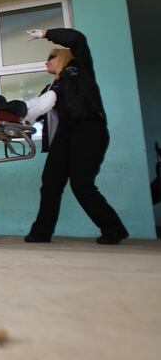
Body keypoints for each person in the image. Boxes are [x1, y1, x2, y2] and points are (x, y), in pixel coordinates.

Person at [24, 28, 129, 245]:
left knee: (81, 184)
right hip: (64, 134)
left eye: (50, 57)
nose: (46, 62)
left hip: (88, 128)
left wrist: (46, 33)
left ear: (63, 57)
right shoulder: (51, 87)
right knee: (50, 183)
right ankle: (41, 233)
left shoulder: (80, 67)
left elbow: (78, 38)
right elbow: (37, 111)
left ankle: (114, 229)